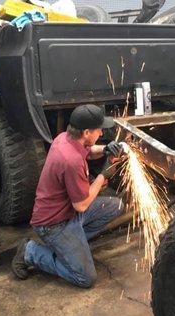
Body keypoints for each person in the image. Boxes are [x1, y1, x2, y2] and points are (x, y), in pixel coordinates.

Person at [11, 104, 125, 288]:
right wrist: (104, 174)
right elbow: (81, 205)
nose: (101, 134)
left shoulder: (64, 138)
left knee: (115, 206)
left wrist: (105, 149)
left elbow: (88, 151)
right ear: (87, 132)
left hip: (69, 214)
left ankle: (71, 246)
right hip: (54, 224)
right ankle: (30, 252)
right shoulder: (71, 161)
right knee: (86, 278)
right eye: (99, 130)